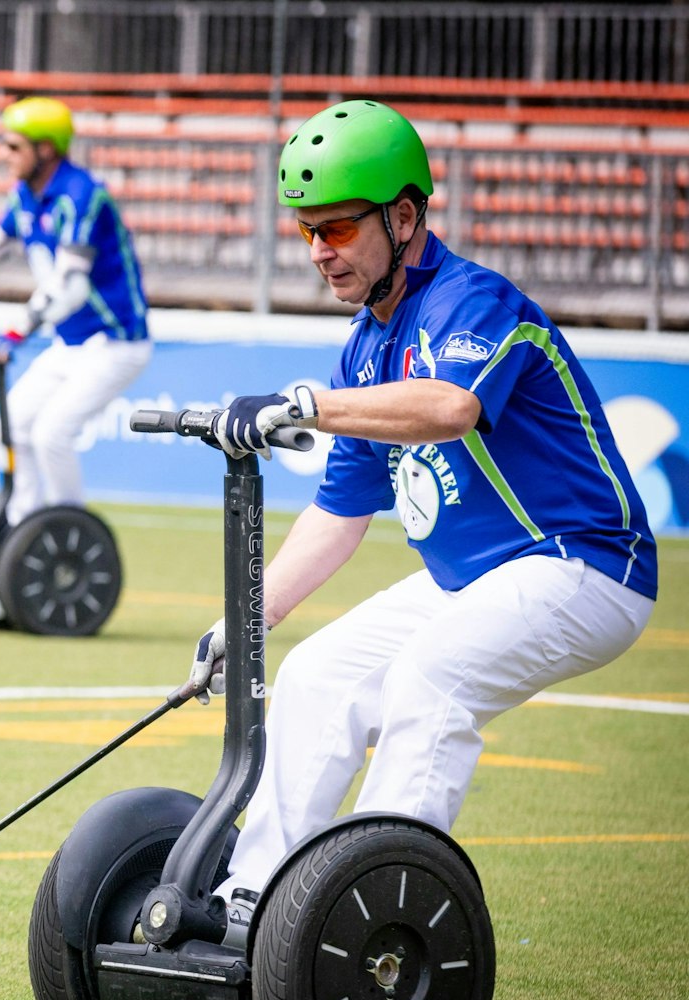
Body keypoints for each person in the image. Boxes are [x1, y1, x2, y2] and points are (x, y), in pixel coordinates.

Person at [188, 101, 656, 938]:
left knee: (428, 679)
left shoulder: (473, 301)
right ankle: (249, 907)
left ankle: (371, 917)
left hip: (585, 565)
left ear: (403, 218)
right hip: (470, 579)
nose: (319, 251)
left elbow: (449, 406)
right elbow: (337, 518)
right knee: (316, 673)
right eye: (306, 232)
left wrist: (311, 404)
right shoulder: (363, 346)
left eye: (338, 228)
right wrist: (243, 622)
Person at [0, 96, 151, 524]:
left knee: (52, 434)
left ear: (46, 149)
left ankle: (69, 532)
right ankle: (24, 525)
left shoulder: (82, 196)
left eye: (13, 146)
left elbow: (71, 287)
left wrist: (18, 330)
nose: (3, 154)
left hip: (115, 343)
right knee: (10, 428)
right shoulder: (26, 196)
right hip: (70, 344)